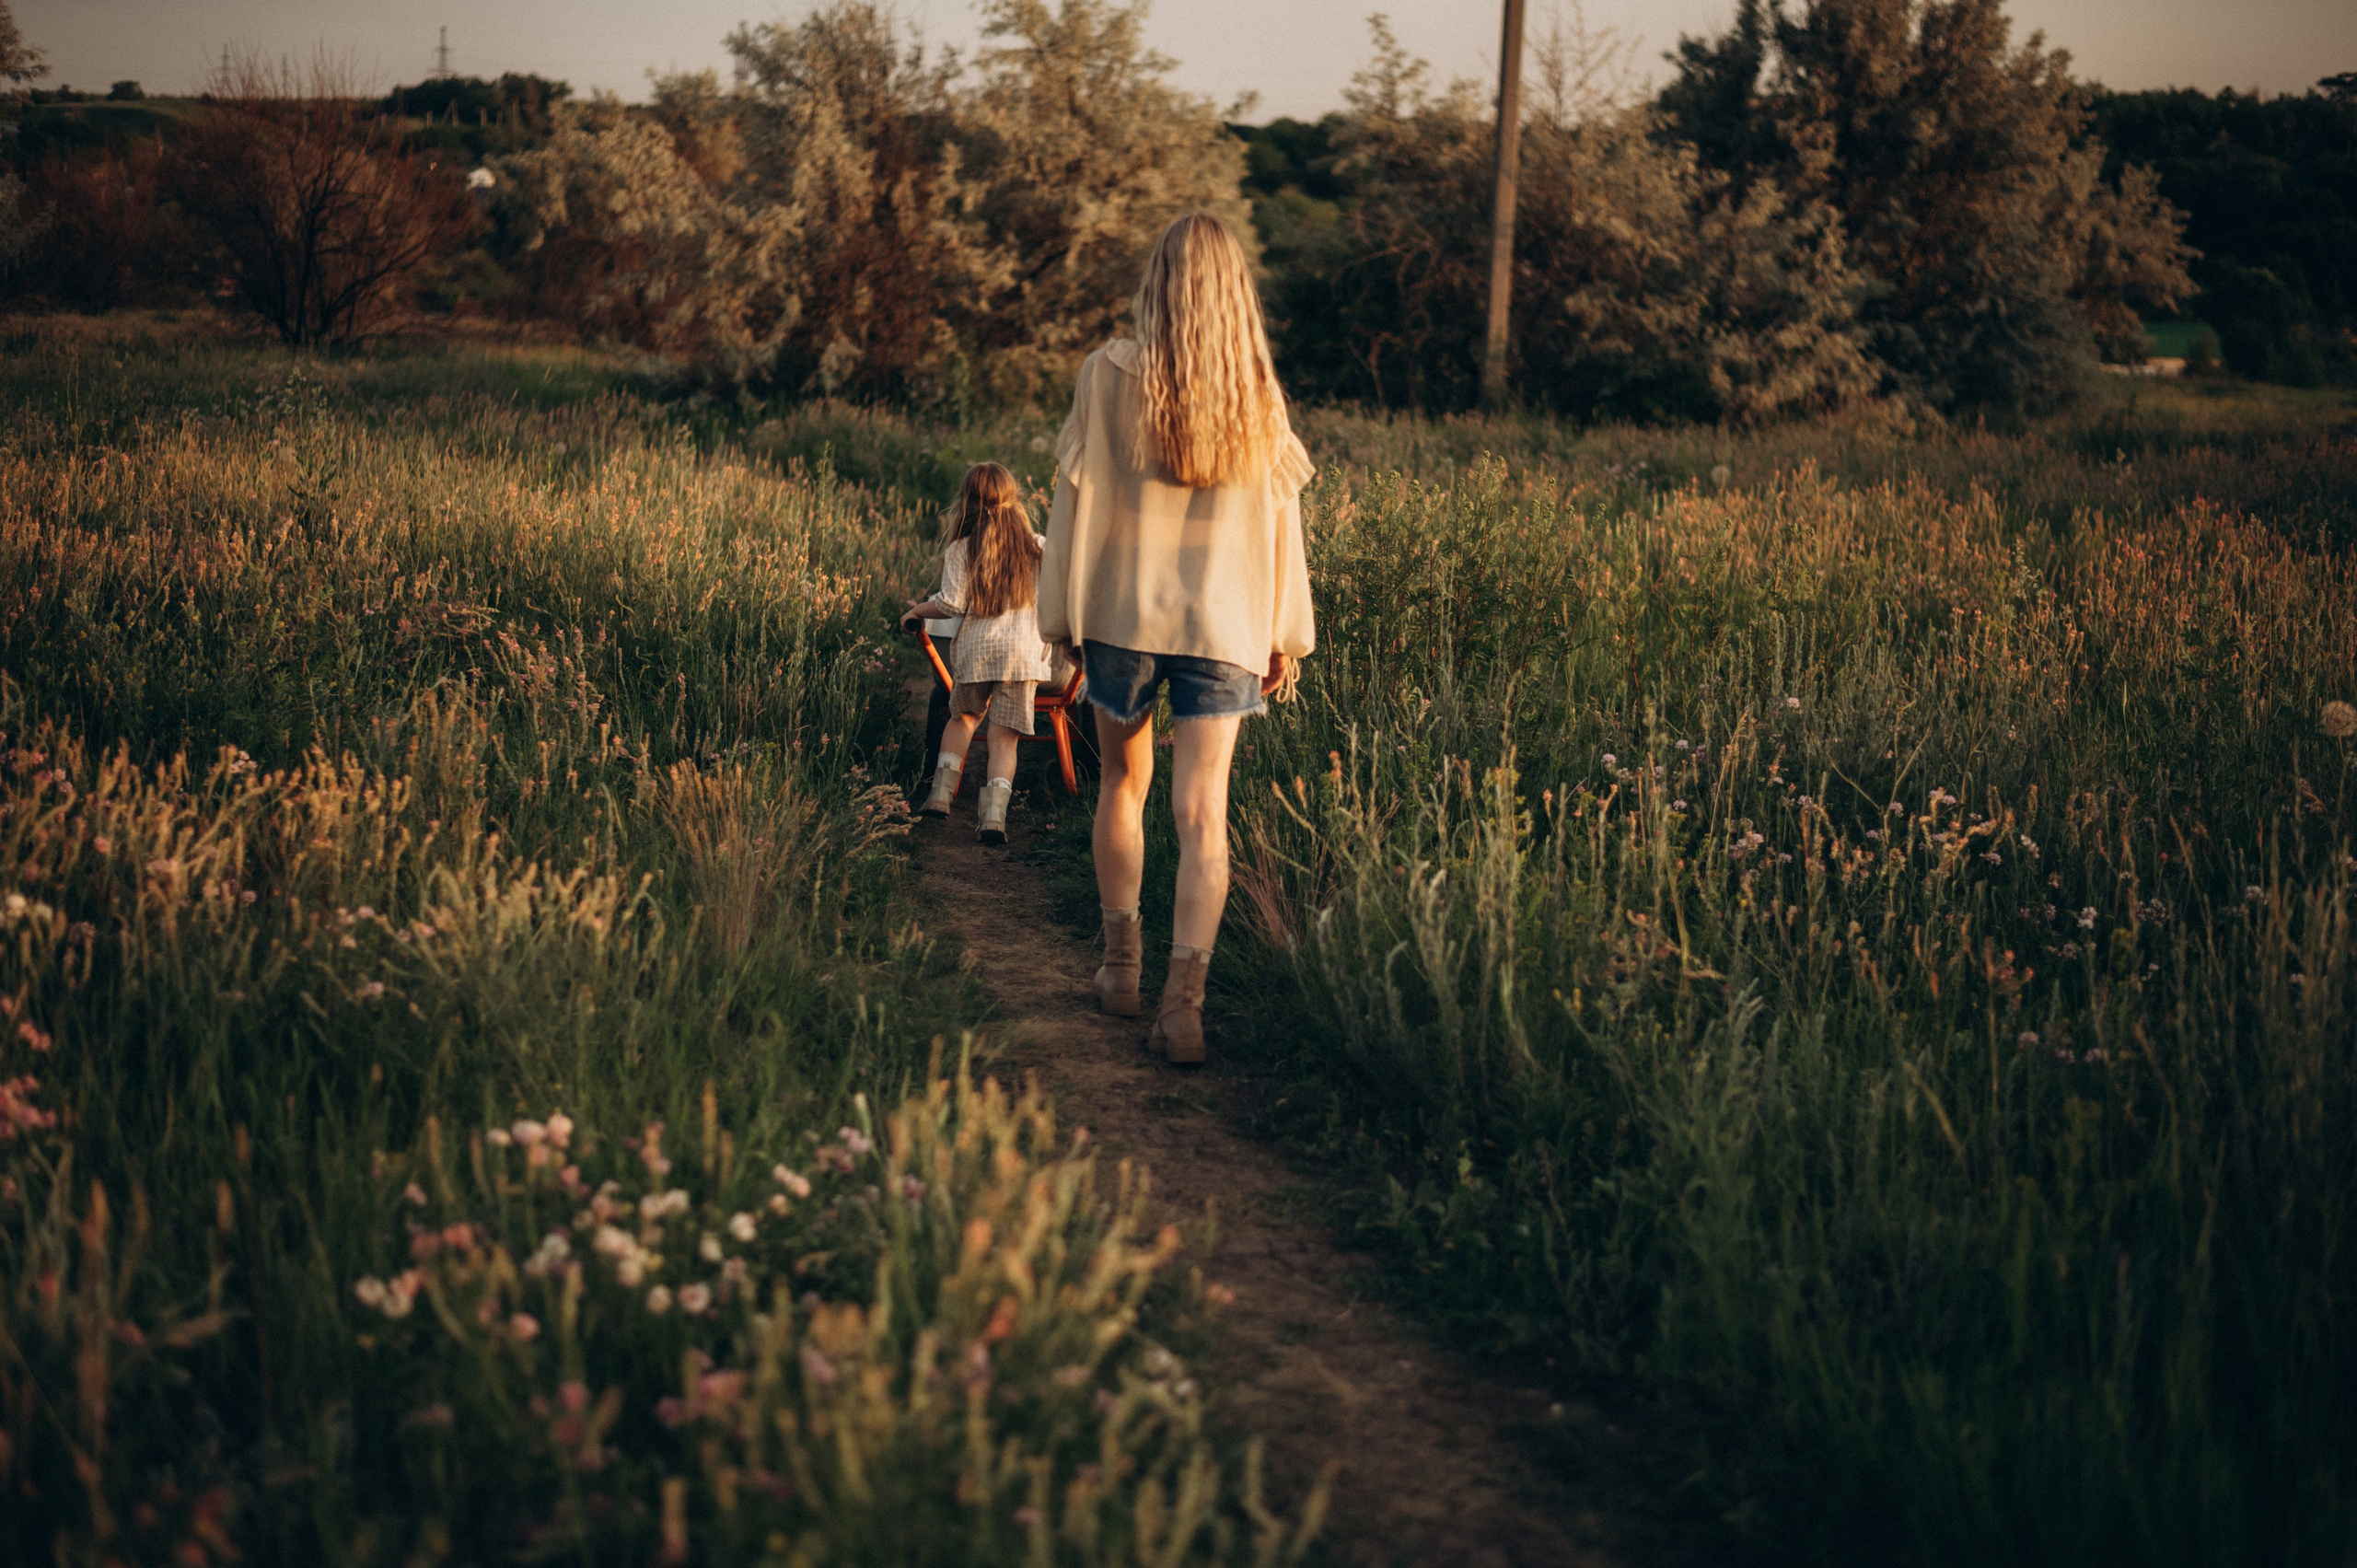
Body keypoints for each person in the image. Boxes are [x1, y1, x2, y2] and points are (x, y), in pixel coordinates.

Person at [1039, 211, 1315, 1065]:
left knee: (1122, 783)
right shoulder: (1258, 393)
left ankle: (1120, 971)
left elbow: (1074, 502)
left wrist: (1062, 618)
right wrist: (1283, 632)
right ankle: (1182, 1012)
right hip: (1226, 623)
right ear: (1237, 291)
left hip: (1123, 616)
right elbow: (1281, 527)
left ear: (1156, 283)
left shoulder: (1104, 375)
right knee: (1204, 814)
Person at [900, 463, 1057, 845]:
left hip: (978, 653)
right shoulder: (1038, 547)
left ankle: (939, 797)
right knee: (1004, 739)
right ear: (1014, 499)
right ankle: (993, 819)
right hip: (1022, 658)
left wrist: (918, 610)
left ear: (965, 502)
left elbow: (951, 605)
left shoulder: (961, 548)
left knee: (963, 720)